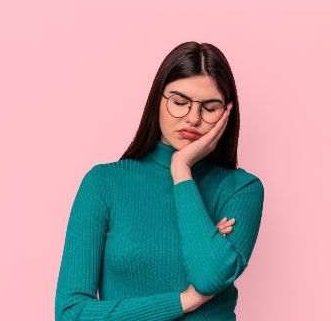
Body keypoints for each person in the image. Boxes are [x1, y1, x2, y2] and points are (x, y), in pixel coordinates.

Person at [53, 41, 265, 320]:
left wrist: (181, 170)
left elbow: (210, 278)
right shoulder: (104, 183)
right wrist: (182, 302)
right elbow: (71, 314)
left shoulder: (241, 189)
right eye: (179, 103)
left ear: (227, 113)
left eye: (209, 108)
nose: (193, 119)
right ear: (157, 100)